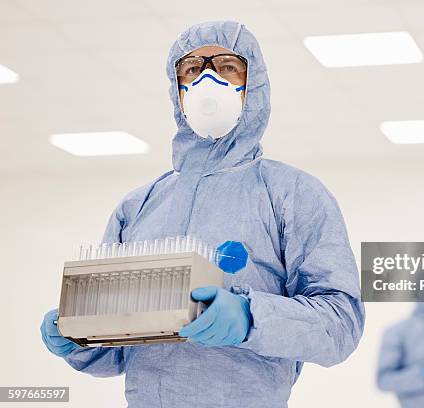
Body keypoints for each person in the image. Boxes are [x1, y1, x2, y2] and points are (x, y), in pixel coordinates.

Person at [40, 21, 365, 408]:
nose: (207, 80)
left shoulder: (292, 194)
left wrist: (250, 316)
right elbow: (117, 353)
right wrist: (78, 337)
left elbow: (340, 325)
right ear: (177, 89)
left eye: (227, 66)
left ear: (254, 83)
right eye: (192, 69)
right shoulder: (138, 207)